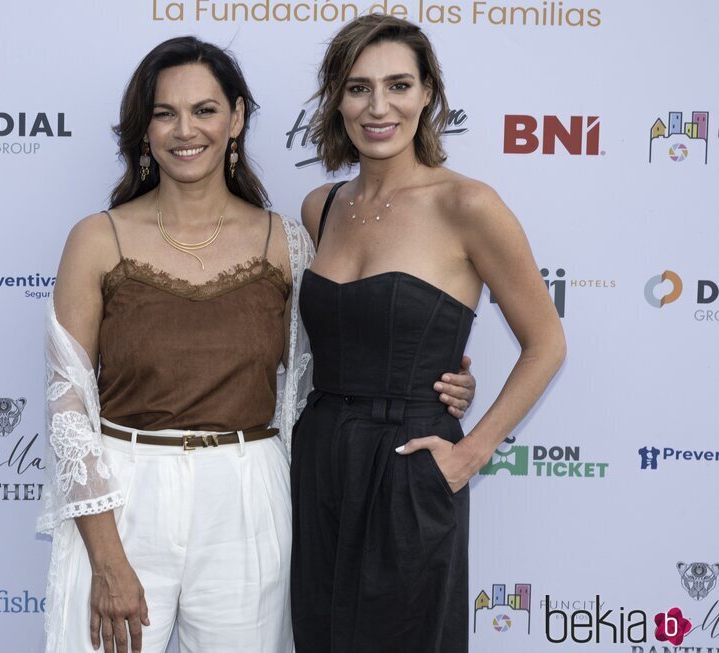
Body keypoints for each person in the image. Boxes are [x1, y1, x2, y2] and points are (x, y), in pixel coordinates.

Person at [37, 36, 476, 653]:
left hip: (249, 503)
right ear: (144, 129)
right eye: (165, 113)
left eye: (205, 109)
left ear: (237, 117)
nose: (185, 130)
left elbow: (332, 364)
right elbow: (67, 410)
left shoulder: (288, 242)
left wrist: (435, 378)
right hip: (125, 498)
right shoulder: (96, 239)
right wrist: (107, 559)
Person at [290, 15, 566, 653]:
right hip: (322, 459)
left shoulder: (467, 205)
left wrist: (469, 455)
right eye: (358, 88)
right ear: (337, 97)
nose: (378, 106)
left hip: (412, 465)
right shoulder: (320, 207)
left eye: (398, 85)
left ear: (428, 94)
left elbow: (546, 342)